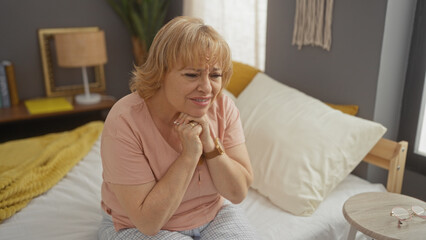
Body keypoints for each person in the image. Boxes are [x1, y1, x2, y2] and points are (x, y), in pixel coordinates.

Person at [98, 16, 256, 240]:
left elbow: (237, 193)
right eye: (192, 74)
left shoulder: (222, 106)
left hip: (213, 214)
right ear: (161, 73)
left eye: (215, 75)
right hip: (134, 225)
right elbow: (148, 222)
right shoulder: (125, 120)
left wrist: (210, 145)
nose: (206, 88)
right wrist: (189, 155)